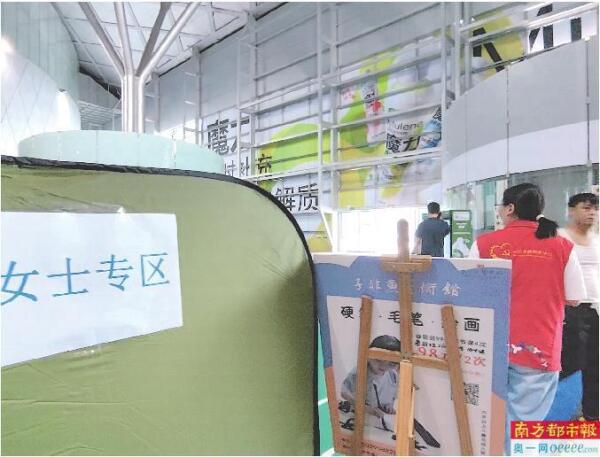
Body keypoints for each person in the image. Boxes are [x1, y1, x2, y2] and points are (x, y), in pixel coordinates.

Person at [469, 183, 586, 451]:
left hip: (487, 345)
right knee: (523, 421)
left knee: (484, 414)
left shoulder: (483, 244)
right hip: (538, 347)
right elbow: (575, 297)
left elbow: (469, 294)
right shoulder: (562, 246)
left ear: (510, 209)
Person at [558, 193, 599, 421]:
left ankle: (592, 416)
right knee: (567, 365)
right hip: (568, 311)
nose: (592, 213)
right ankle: (552, 416)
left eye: (595, 209)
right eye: (586, 208)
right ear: (571, 210)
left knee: (594, 366)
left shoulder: (597, 240)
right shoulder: (560, 237)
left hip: (594, 310)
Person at [340, 335, 400, 432]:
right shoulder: (359, 372)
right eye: (378, 360)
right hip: (359, 414)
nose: (383, 366)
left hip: (381, 418)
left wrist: (388, 406)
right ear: (368, 356)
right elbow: (344, 393)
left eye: (391, 364)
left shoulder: (392, 375)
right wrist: (365, 407)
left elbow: (392, 393)